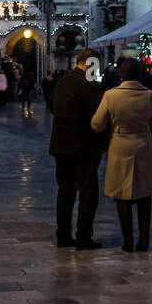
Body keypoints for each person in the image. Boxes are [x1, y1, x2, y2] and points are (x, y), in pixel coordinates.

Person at [90, 58, 152, 252]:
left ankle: (128, 240)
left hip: (120, 145)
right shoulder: (150, 95)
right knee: (145, 194)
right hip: (144, 146)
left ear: (121, 74)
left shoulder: (111, 96)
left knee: (122, 195)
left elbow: (97, 124)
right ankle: (144, 239)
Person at [48, 49, 107, 250]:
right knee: (88, 192)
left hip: (60, 145)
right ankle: (83, 237)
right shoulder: (88, 84)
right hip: (82, 147)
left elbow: (53, 107)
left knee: (65, 191)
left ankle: (63, 235)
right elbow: (101, 112)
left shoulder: (63, 81)